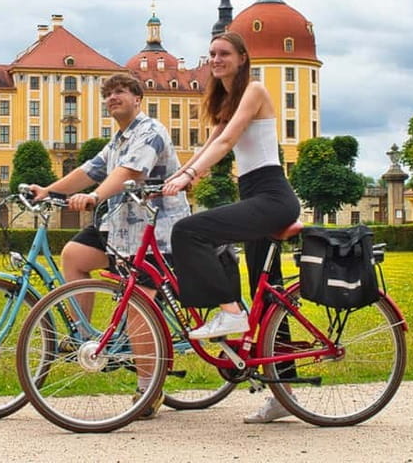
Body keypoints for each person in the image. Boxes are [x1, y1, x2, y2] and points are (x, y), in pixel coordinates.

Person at [29, 73, 190, 418]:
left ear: (137, 99)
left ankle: (148, 389)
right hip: (119, 229)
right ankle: (83, 338)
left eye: (120, 92)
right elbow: (89, 170)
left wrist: (93, 197)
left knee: (138, 306)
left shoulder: (150, 132)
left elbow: (128, 174)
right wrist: (50, 190)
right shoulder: (116, 140)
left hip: (155, 233)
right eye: (108, 94)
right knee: (74, 255)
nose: (112, 98)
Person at [163, 31, 301, 423]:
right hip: (254, 196)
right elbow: (208, 145)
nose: (216, 59)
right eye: (211, 54)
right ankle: (283, 392)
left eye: (224, 53)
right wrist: (173, 179)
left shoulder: (254, 90)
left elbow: (227, 142)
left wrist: (188, 177)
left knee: (190, 232)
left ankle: (229, 311)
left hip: (272, 196)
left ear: (242, 58)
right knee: (271, 300)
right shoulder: (223, 98)